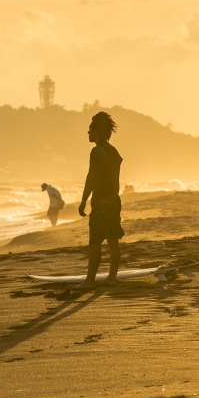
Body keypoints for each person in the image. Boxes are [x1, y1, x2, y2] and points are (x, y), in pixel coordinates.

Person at [76, 112, 125, 289]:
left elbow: (92, 177)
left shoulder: (97, 151)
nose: (88, 133)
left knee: (95, 242)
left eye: (89, 130)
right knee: (113, 240)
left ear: (96, 131)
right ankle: (112, 277)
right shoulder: (114, 151)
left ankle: (89, 282)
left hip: (101, 200)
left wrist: (83, 200)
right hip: (114, 200)